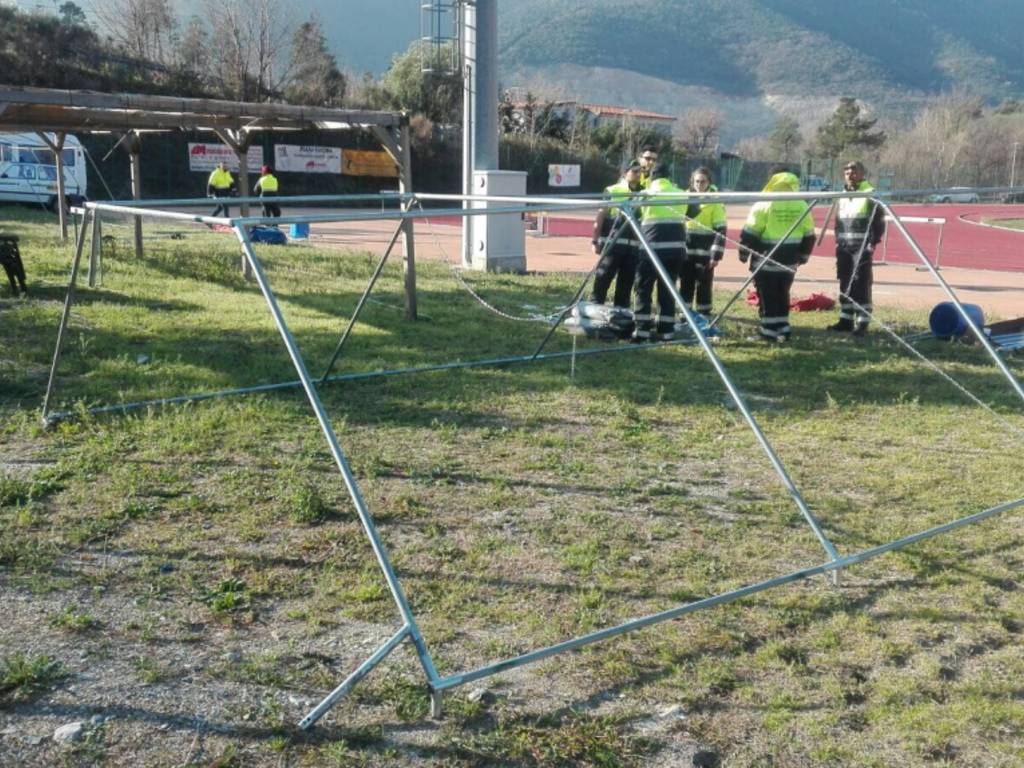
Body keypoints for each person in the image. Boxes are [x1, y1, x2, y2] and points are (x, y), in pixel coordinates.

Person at [739, 166, 816, 342]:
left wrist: (743, 252)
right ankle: (783, 328)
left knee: (766, 296)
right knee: (782, 294)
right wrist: (803, 256)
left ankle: (768, 331)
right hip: (789, 261)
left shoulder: (765, 202)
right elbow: (809, 234)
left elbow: (751, 231)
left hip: (765, 259)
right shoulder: (801, 203)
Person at [633, 163, 698, 343]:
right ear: (669, 177)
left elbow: (633, 213)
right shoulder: (680, 193)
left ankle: (642, 331)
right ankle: (666, 331)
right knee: (667, 290)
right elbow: (694, 212)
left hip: (650, 250)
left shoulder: (645, 194)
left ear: (652, 177)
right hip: (675, 251)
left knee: (643, 290)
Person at [830, 160, 884, 336]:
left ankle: (862, 323)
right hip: (844, 247)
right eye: (846, 171)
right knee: (845, 282)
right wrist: (838, 240)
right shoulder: (843, 195)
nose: (849, 173)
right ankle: (845, 320)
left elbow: (879, 221)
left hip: (862, 248)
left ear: (862, 173)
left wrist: (872, 242)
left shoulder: (870, 194)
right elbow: (838, 221)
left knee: (861, 283)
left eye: (854, 170)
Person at [590, 163, 642, 309]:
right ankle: (595, 306)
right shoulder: (613, 190)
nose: (638, 174)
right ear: (625, 173)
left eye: (640, 172)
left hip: (632, 249)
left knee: (626, 283)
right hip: (612, 245)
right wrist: (594, 240)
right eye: (634, 171)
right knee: (603, 277)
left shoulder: (643, 193)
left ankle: (621, 312)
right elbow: (600, 216)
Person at [679, 167, 727, 319]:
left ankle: (703, 314)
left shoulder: (715, 201)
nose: (699, 185)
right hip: (687, 249)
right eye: (696, 181)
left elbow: (721, 229)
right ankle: (684, 314)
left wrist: (716, 255)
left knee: (704, 284)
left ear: (709, 183)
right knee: (686, 283)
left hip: (706, 251)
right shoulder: (683, 197)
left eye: (703, 182)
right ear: (692, 182)